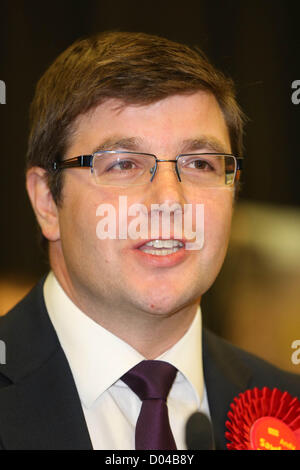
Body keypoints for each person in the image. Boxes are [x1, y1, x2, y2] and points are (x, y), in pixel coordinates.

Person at [0, 31, 299, 451]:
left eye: (200, 163)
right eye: (123, 164)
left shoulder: (286, 410)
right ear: (48, 201)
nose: (169, 201)